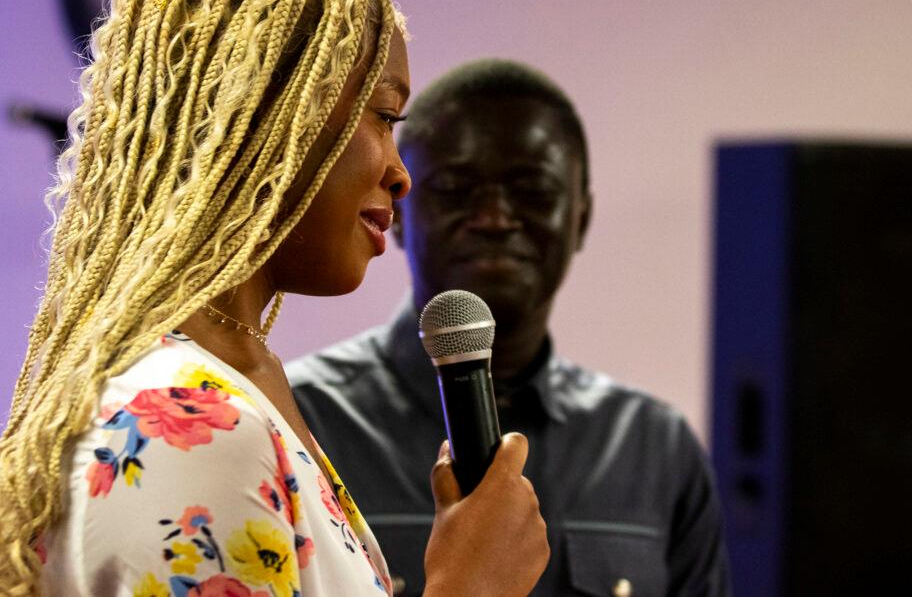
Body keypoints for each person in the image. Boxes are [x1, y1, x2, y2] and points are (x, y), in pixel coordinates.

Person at [0, 0, 549, 596]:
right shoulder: (193, 424)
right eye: (385, 117)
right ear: (269, 110)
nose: (398, 171)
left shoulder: (233, 384)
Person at [288, 59, 733, 596]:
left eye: (533, 191)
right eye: (455, 189)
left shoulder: (653, 446)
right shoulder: (302, 420)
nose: (496, 218)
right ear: (398, 214)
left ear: (581, 219)